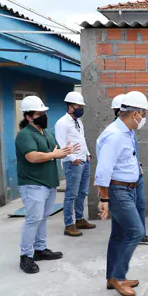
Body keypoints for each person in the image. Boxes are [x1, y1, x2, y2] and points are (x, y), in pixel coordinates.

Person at [15, 96, 80, 274]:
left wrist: (64, 151)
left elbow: (53, 150)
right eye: (39, 113)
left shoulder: (47, 132)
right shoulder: (24, 135)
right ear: (28, 117)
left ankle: (40, 249)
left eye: (44, 113)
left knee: (43, 218)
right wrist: (56, 154)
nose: (43, 116)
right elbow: (32, 156)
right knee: (33, 219)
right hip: (33, 184)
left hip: (49, 182)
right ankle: (26, 256)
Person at [95, 91, 148, 296]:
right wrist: (105, 199)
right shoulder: (115, 135)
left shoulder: (127, 131)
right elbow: (103, 171)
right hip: (118, 190)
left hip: (129, 188)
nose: (144, 118)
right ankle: (118, 277)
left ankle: (112, 277)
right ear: (134, 113)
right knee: (136, 231)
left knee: (119, 235)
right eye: (143, 114)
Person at [111, 94, 148, 246]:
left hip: (136, 173)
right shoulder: (115, 132)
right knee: (126, 208)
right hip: (123, 180)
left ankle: (140, 235)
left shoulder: (129, 129)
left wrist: (137, 164)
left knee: (140, 204)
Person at [55, 92, 95, 237]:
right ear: (70, 107)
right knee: (71, 194)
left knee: (82, 192)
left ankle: (79, 219)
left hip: (84, 160)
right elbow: (61, 143)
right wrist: (72, 158)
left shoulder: (78, 121)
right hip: (73, 163)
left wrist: (87, 153)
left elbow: (81, 139)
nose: (80, 109)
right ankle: (68, 225)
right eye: (78, 106)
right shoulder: (62, 123)